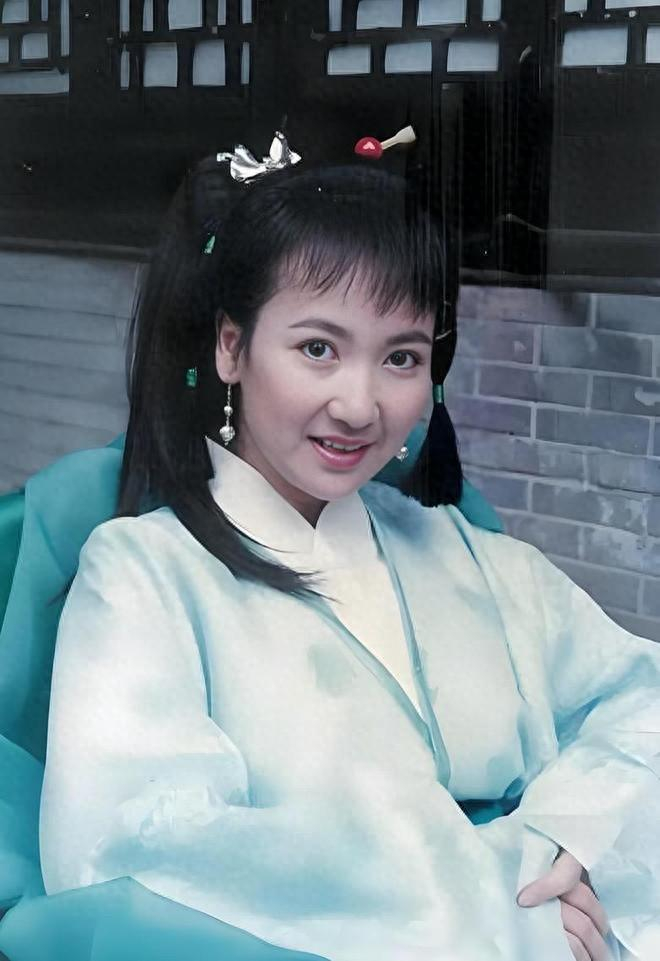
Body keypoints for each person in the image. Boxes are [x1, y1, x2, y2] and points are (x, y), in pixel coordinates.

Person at [4, 134, 659, 961]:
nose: (359, 404)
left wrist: (567, 844)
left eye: (402, 357)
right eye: (318, 348)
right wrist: (497, 901)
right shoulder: (142, 574)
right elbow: (139, 845)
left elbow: (640, 697)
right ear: (231, 346)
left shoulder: (464, 549)